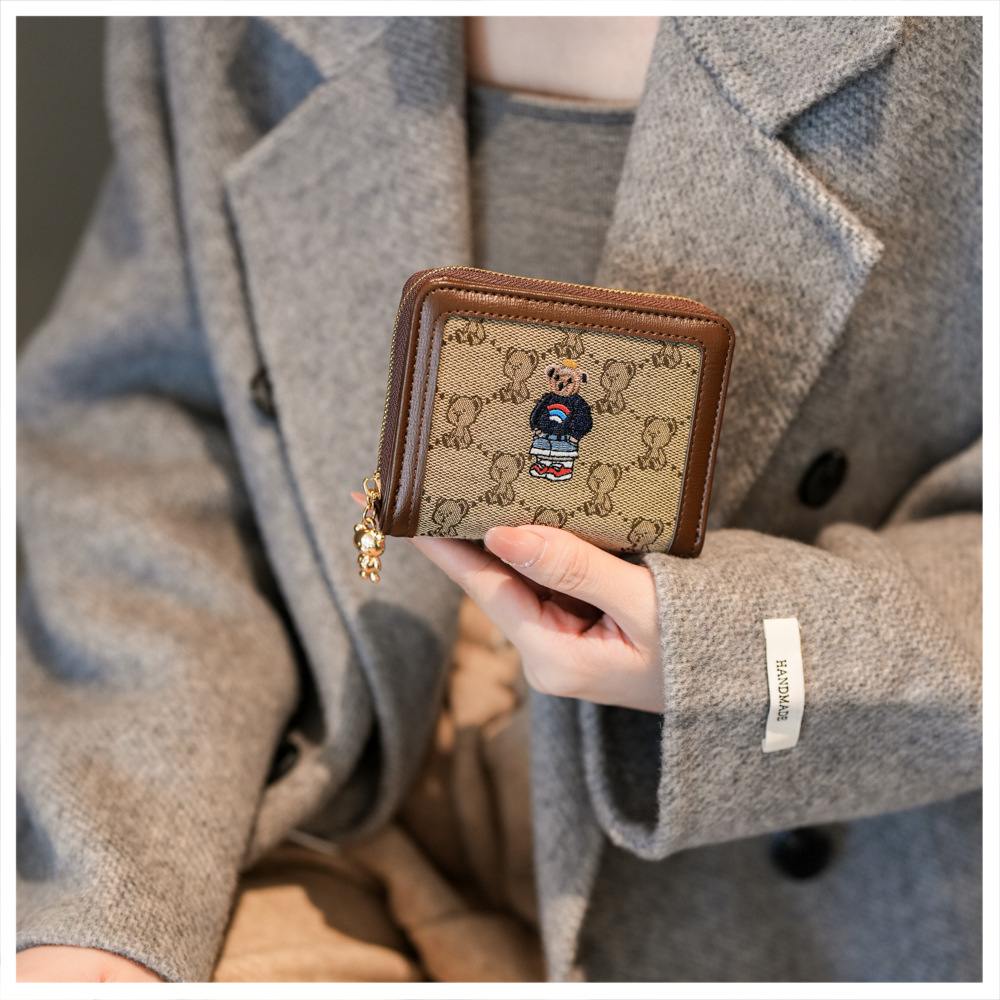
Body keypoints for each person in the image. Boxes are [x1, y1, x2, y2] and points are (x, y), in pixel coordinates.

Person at [16, 15, 982, 982]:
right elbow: (151, 418)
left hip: (768, 860)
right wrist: (110, 889)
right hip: (312, 774)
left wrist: (735, 649)